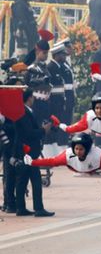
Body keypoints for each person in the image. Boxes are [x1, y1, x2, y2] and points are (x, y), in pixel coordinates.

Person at [13, 88, 54, 217]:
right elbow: (28, 133)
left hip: (26, 150)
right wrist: (43, 130)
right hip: (28, 151)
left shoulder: (25, 111)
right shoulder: (24, 113)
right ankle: (39, 208)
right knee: (35, 180)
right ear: (29, 98)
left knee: (22, 180)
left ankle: (20, 207)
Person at [24, 133, 101, 174]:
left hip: (96, 167)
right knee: (56, 161)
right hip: (75, 167)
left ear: (87, 149)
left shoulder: (99, 156)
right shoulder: (68, 155)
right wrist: (32, 162)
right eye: (76, 149)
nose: (78, 152)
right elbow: (51, 161)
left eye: (81, 149)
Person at [45, 42, 69, 146]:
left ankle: (56, 144)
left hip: (59, 102)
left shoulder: (59, 67)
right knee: (54, 126)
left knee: (58, 125)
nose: (65, 56)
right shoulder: (51, 67)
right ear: (57, 55)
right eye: (63, 54)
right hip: (53, 103)